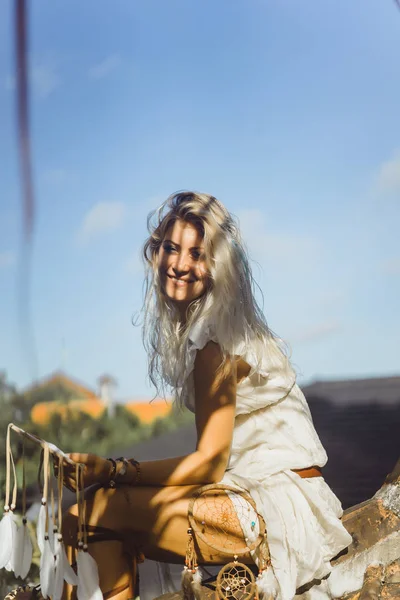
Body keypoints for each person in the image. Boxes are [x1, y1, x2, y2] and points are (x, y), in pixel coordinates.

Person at [58, 191, 352, 600]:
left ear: (217, 267)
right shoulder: (219, 329)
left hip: (276, 510)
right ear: (156, 252)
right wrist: (110, 475)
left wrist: (113, 469)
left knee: (85, 513)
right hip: (259, 501)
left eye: (197, 254)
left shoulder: (215, 341)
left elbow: (209, 463)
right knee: (96, 509)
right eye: (171, 248)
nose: (179, 264)